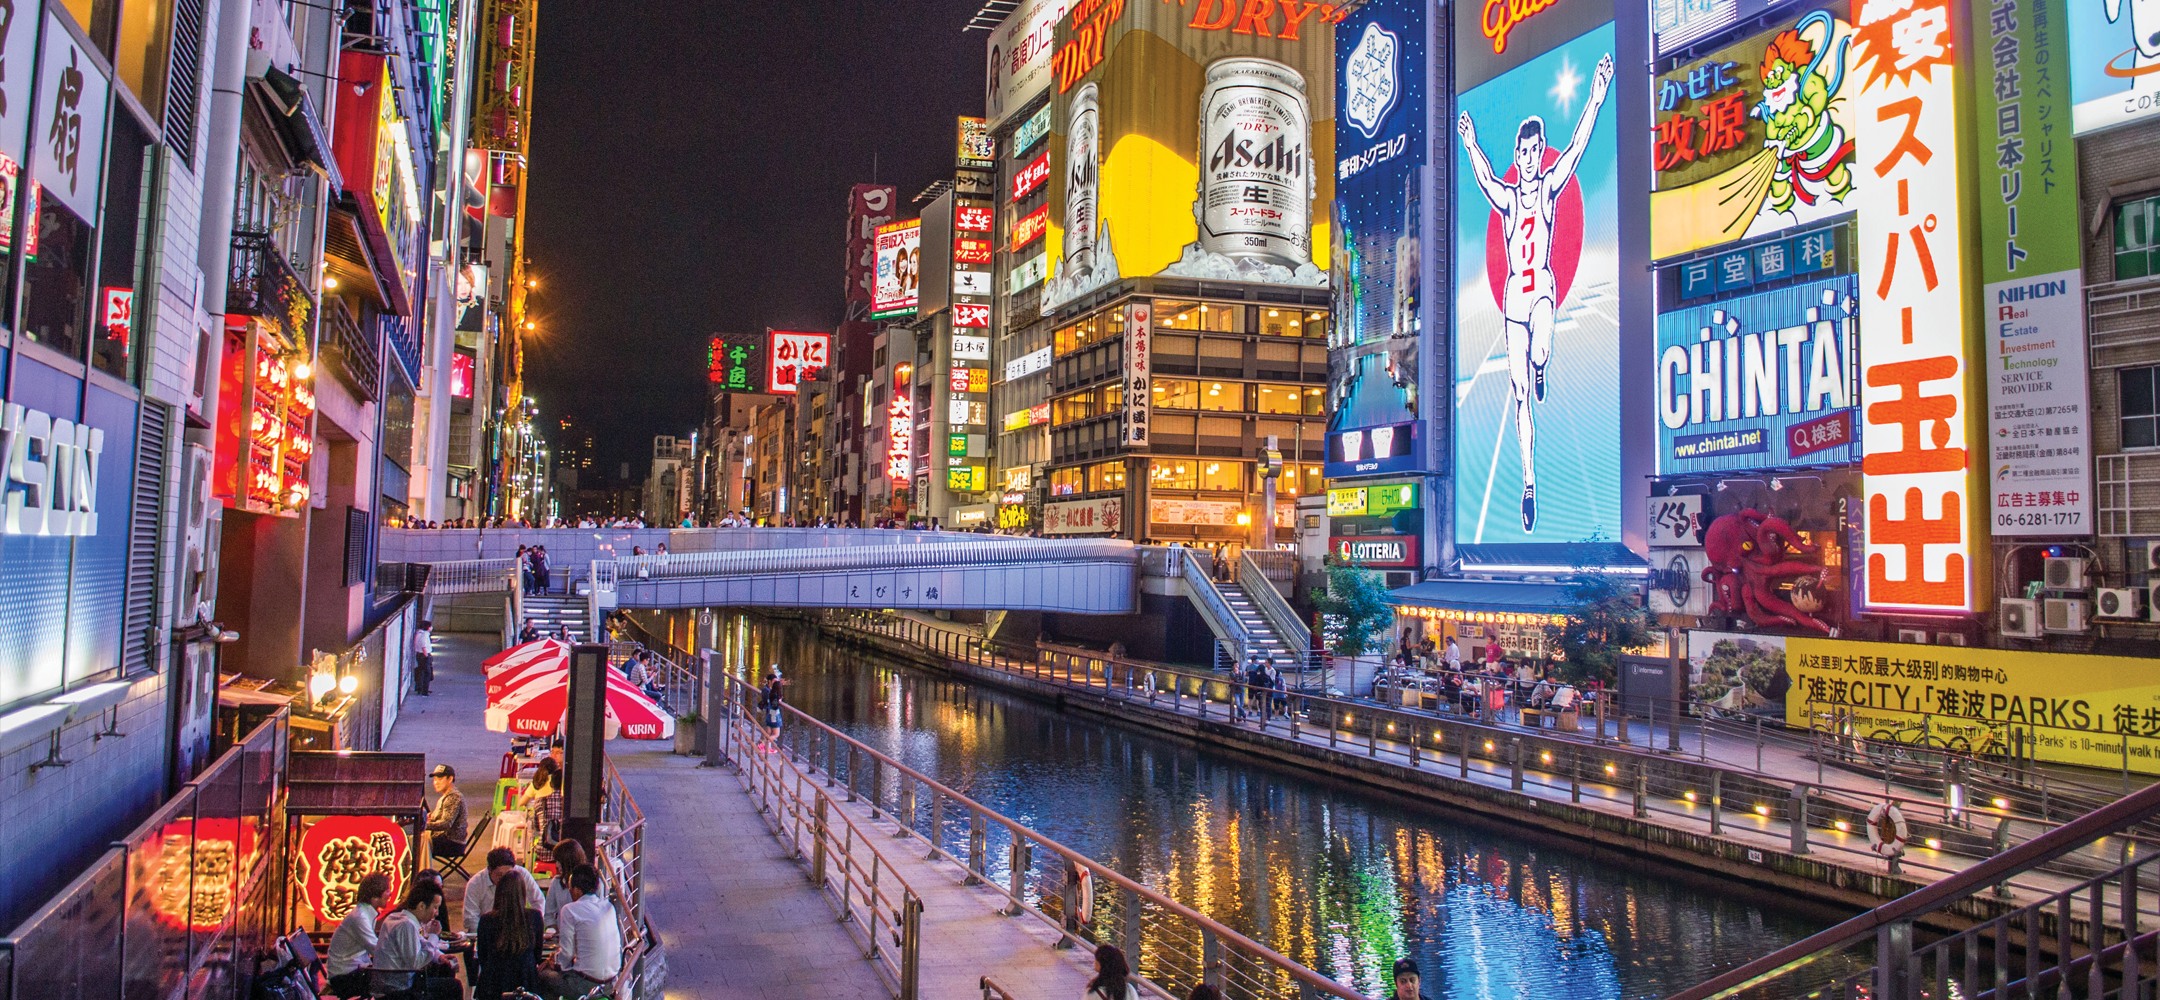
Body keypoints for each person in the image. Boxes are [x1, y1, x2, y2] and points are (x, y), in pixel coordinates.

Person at [1457, 50, 1615, 533]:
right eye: (1521, 154)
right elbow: (1483, 176)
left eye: (1534, 151)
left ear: (1540, 149)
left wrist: (1596, 95)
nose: (1528, 160)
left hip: (1541, 290)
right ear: (1516, 155)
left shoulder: (1547, 190)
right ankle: (1529, 481)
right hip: (1512, 302)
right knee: (1521, 396)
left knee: (1541, 349)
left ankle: (1542, 363)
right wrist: (1469, 143)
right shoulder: (1507, 200)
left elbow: (1579, 147)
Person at [542, 864, 621, 998]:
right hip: (610, 983)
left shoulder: (570, 910)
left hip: (586, 985)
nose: (570, 891)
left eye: (570, 888)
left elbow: (566, 955)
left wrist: (554, 963)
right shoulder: (608, 906)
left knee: (543, 975)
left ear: (577, 890)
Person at [371, 881, 458, 999]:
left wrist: (439, 956)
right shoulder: (406, 925)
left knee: (448, 979)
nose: (437, 913)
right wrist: (434, 936)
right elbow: (415, 963)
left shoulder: (398, 918)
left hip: (393, 983)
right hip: (395, 989)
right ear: (421, 906)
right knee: (453, 987)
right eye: (435, 907)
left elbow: (421, 943)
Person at [474, 860, 545, 1000]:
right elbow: (537, 955)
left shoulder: (486, 920)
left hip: (492, 983)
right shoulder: (535, 917)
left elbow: (482, 955)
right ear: (523, 893)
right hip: (526, 980)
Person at [324, 873, 391, 997]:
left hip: (351, 970)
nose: (390, 894)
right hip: (344, 976)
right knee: (392, 981)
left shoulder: (365, 912)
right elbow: (376, 949)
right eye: (387, 890)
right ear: (375, 897)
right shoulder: (360, 917)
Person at [463, 848, 544, 939]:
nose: (504, 879)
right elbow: (471, 917)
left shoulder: (522, 874)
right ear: (489, 870)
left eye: (508, 874)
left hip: (517, 931)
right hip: (489, 931)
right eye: (499, 875)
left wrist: (534, 926)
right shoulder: (475, 884)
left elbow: (538, 901)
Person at [426, 764, 468, 863]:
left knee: (415, 842)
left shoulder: (453, 797)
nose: (436, 783)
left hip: (452, 843)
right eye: (434, 779)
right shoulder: (446, 796)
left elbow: (446, 824)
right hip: (446, 839)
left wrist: (424, 825)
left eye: (440, 779)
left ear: (450, 779)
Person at [542, 840, 589, 929]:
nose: (556, 865)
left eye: (559, 861)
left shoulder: (591, 882)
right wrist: (554, 929)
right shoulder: (557, 883)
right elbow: (548, 914)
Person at [758, 667, 787, 754]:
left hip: (770, 714)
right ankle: (763, 744)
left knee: (769, 731)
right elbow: (774, 705)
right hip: (773, 714)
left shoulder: (771, 693)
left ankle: (766, 747)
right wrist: (779, 701)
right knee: (775, 734)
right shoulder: (772, 694)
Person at [412, 619, 436, 696]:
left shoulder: (419, 633)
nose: (431, 627)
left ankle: (419, 688)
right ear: (428, 627)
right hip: (424, 656)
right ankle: (424, 691)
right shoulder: (424, 635)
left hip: (419, 655)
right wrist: (427, 656)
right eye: (430, 626)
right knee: (427, 673)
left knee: (421, 672)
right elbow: (423, 646)